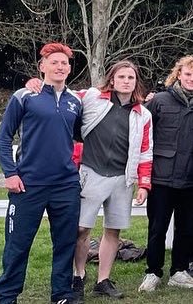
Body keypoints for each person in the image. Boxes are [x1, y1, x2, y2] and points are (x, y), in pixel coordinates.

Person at [0, 42, 84, 304]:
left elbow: (77, 135)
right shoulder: (24, 96)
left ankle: (61, 294)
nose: (60, 66)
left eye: (64, 63)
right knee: (17, 245)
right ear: (42, 66)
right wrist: (10, 173)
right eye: (54, 62)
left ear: (69, 68)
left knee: (65, 243)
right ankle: (8, 296)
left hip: (65, 185)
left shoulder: (74, 101)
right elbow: (3, 138)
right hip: (28, 184)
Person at [68, 61, 153, 299]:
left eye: (131, 78)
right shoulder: (93, 98)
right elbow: (64, 94)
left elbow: (146, 151)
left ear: (136, 82)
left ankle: (103, 280)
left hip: (121, 178)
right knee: (82, 228)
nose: (126, 81)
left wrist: (144, 184)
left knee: (113, 230)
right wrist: (37, 85)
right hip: (91, 172)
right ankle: (79, 275)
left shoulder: (143, 114)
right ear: (112, 80)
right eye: (122, 77)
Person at [139, 56, 193, 292]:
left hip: (192, 179)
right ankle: (153, 272)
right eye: (187, 74)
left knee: (187, 228)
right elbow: (143, 135)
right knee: (157, 227)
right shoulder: (159, 101)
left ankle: (179, 271)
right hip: (162, 177)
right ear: (178, 75)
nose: (191, 79)